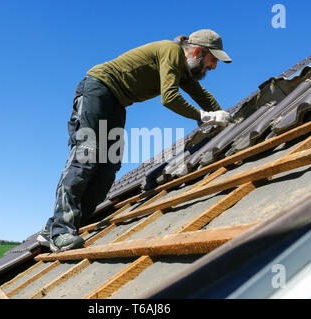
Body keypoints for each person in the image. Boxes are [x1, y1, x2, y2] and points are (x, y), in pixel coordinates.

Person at [37, 29, 233, 252]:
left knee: (108, 169)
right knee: (87, 154)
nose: (214, 67)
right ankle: (61, 231)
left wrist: (228, 119)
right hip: (98, 88)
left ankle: (53, 227)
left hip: (118, 102)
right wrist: (204, 116)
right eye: (213, 59)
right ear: (197, 51)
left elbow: (203, 96)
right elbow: (169, 98)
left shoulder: (184, 72)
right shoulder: (171, 51)